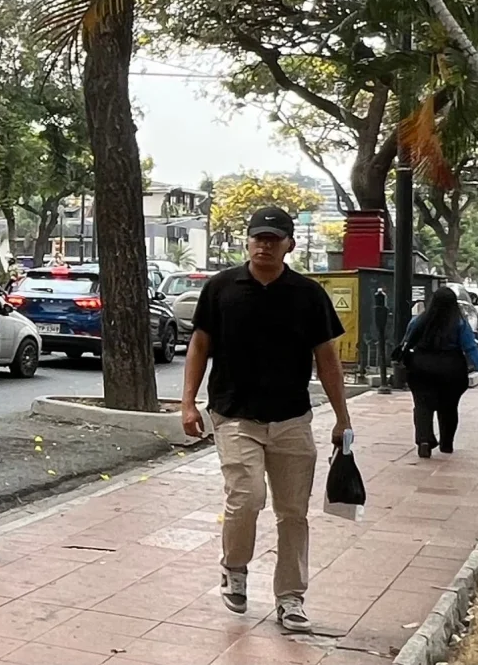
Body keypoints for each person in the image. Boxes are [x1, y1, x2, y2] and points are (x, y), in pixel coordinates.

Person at [181, 206, 352, 634]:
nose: (264, 245)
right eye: (258, 238)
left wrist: (342, 418)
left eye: (273, 239)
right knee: (247, 496)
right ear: (248, 241)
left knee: (293, 512)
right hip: (234, 414)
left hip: (292, 418)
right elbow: (199, 346)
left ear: (289, 245)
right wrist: (187, 403)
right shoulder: (221, 289)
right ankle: (234, 567)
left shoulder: (309, 295)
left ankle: (291, 598)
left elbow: (327, 360)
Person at [401, 286, 478, 458]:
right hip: (451, 368)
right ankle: (446, 443)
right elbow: (471, 347)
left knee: (422, 406)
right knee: (449, 407)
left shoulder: (419, 321)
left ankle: (424, 439)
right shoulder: (459, 323)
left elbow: (407, 341)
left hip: (421, 367)